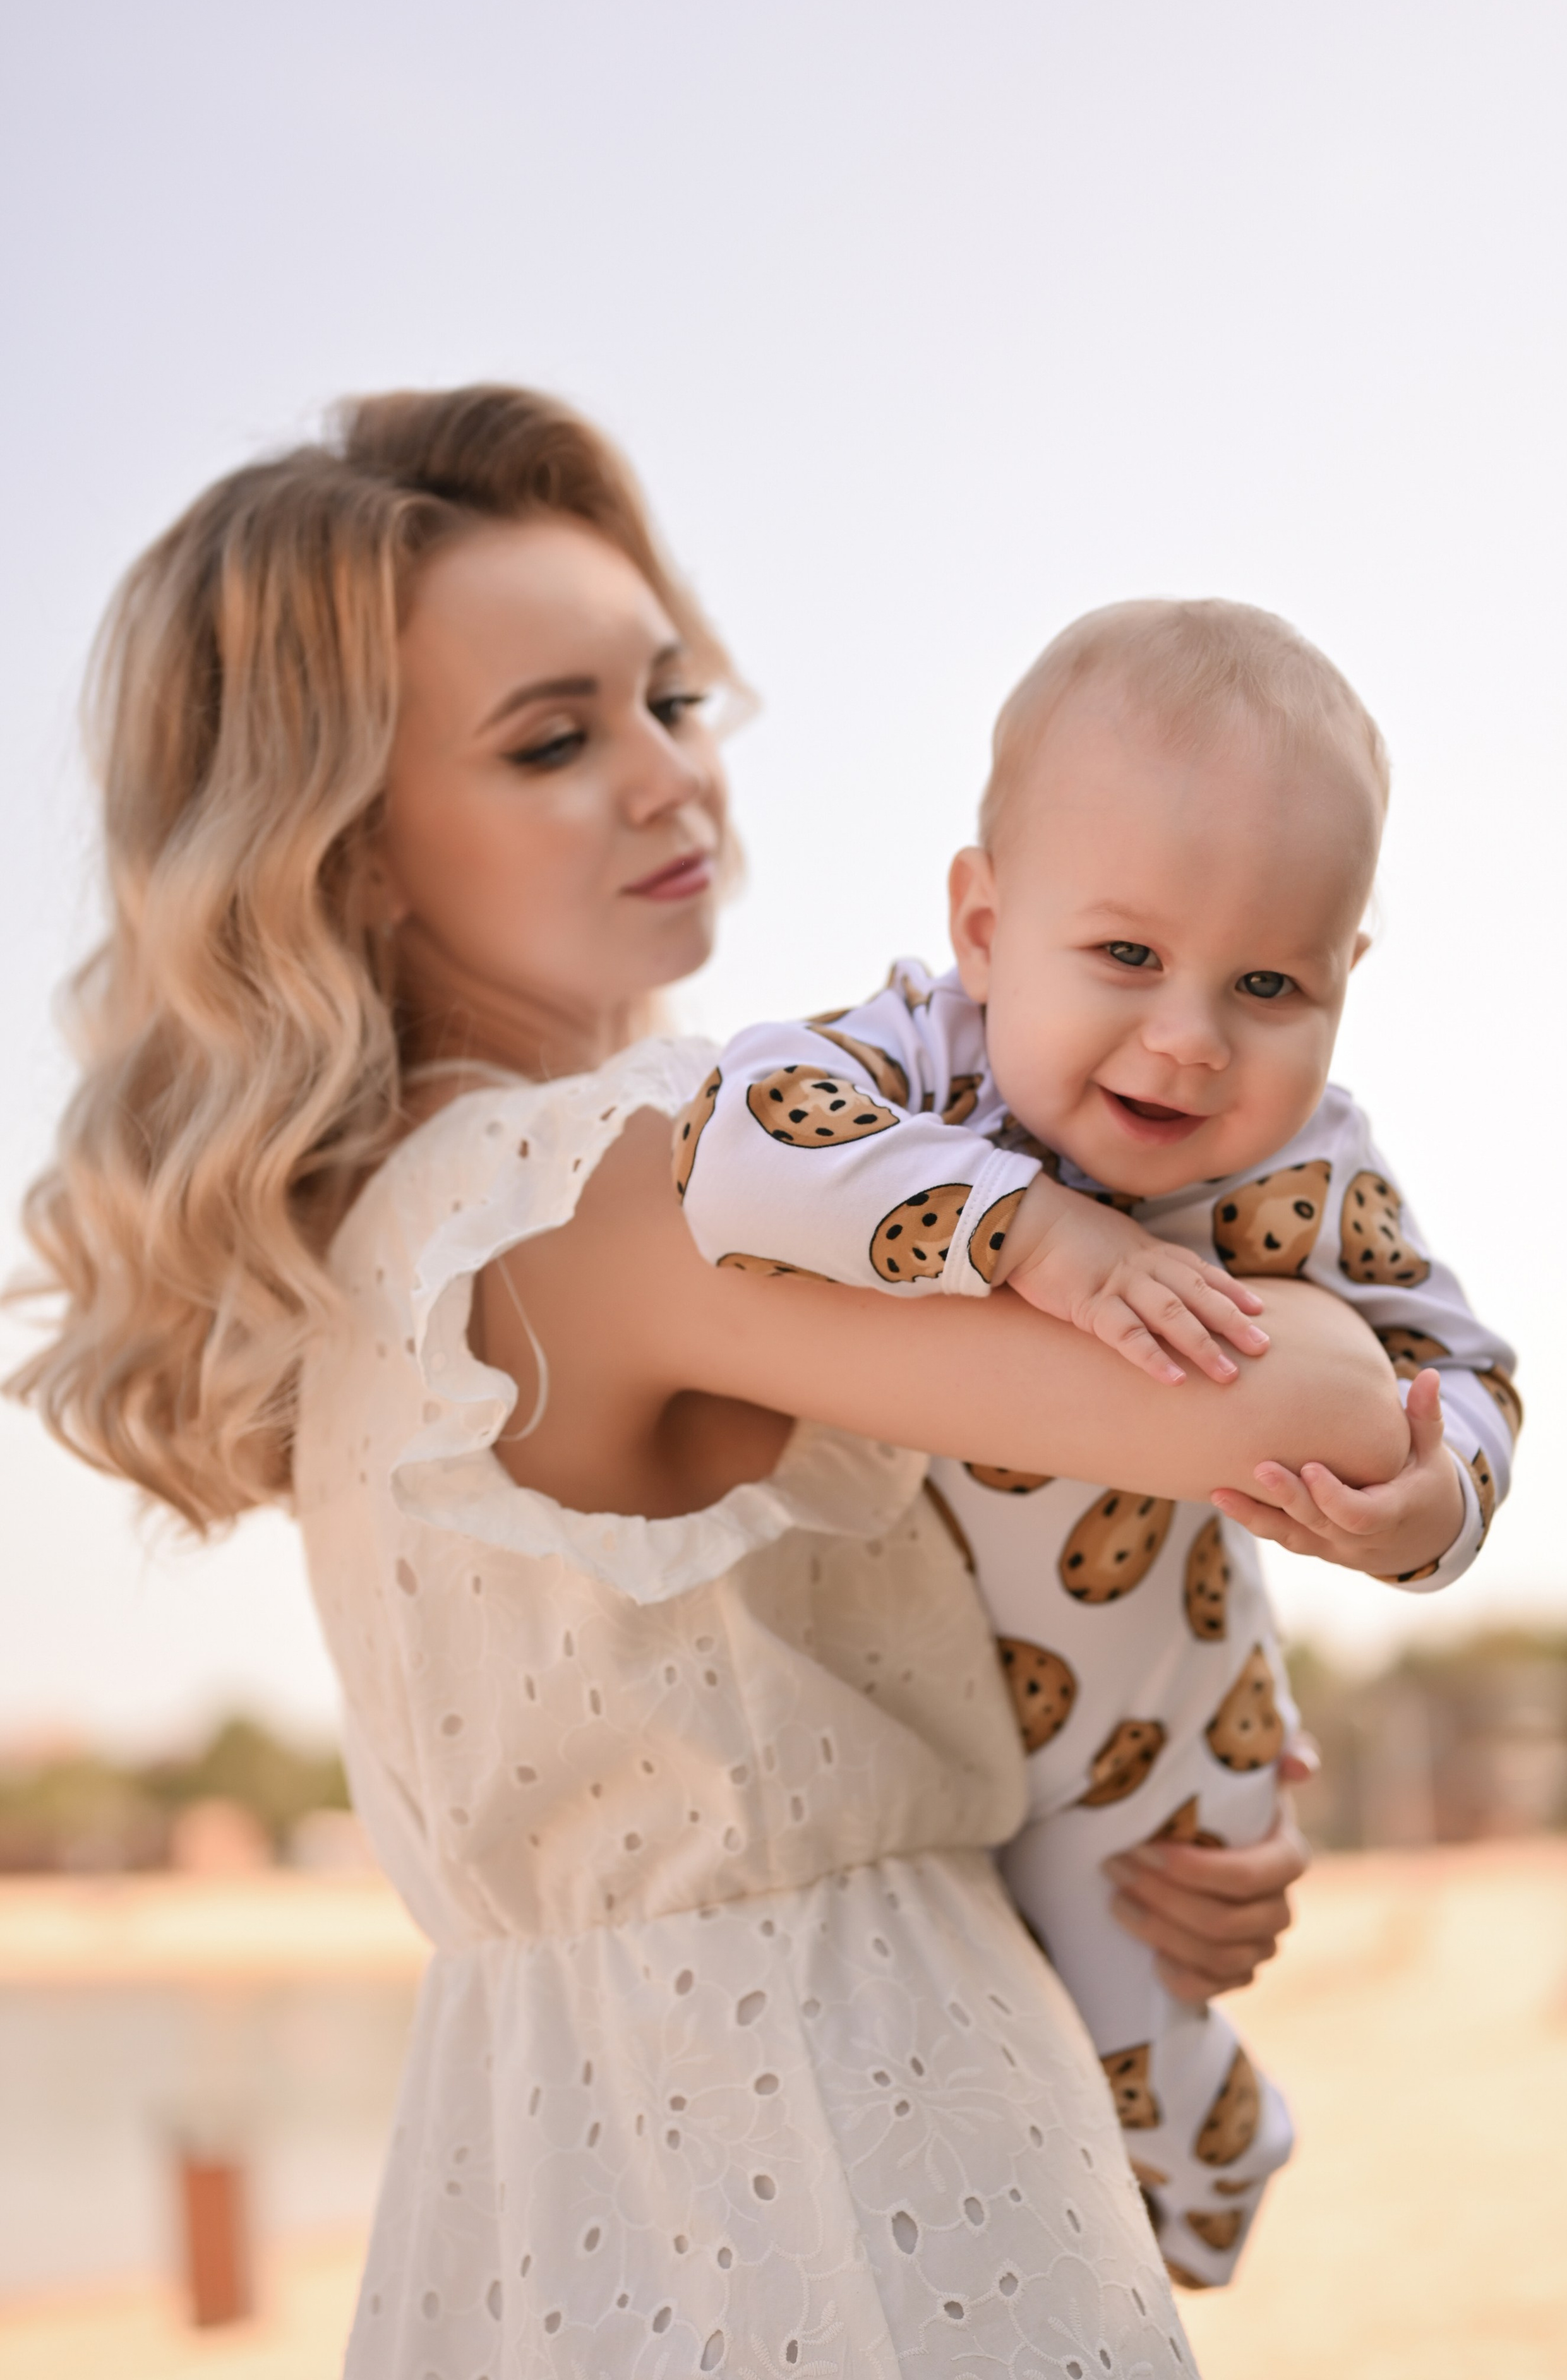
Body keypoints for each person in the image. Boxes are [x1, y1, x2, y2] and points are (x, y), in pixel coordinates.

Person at [8, 388, 1414, 2376]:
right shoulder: (618, 1181)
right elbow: (1319, 1409)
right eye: (555, 738)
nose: (670, 772)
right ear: (355, 850)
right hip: (850, 2161)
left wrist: (1137, 1809)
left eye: (669, 698)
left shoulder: (398, 1236)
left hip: (536, 2178)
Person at [676, 597, 1520, 2285]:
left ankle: (1201, 2187)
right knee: (945, 2091)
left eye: (1269, 984)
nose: (1191, 1037)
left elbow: (1464, 1371)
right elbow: (737, 1141)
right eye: (1127, 956)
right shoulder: (929, 1062)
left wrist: (1431, 1501)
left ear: (1344, 985)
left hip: (1157, 1719)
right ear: (986, 927)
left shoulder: (1313, 1168)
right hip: (897, 1725)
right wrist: (1034, 1233)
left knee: (1134, 2059)